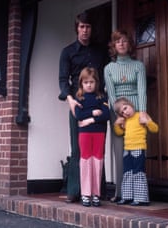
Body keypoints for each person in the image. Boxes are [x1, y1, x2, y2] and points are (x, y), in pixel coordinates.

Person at [59, 12, 108, 203]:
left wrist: (105, 101)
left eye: (88, 27)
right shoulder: (68, 51)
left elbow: (104, 77)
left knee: (98, 149)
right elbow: (63, 79)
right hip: (77, 104)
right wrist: (70, 100)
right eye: (81, 27)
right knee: (78, 148)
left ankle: (98, 191)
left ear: (91, 29)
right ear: (77, 28)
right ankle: (75, 190)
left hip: (97, 103)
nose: (85, 30)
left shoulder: (100, 51)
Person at [104, 30, 148, 203]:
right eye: (117, 42)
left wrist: (142, 113)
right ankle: (121, 193)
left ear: (129, 45)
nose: (121, 44)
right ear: (114, 46)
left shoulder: (138, 66)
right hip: (118, 115)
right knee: (119, 152)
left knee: (137, 152)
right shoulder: (109, 68)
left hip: (136, 113)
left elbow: (142, 90)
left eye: (124, 41)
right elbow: (112, 94)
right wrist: (118, 115)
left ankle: (139, 194)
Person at [113, 97, 158, 206]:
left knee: (138, 172)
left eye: (125, 108)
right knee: (127, 172)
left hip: (138, 148)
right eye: (122, 112)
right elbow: (119, 133)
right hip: (127, 149)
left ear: (131, 105)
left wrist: (147, 122)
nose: (125, 112)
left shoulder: (141, 115)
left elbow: (155, 129)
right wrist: (116, 124)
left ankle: (141, 198)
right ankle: (127, 196)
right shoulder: (125, 121)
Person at [74, 67, 110, 207]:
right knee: (85, 161)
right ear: (81, 83)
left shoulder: (102, 97)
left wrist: (91, 120)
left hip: (98, 133)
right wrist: (94, 112)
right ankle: (85, 194)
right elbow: (78, 115)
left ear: (97, 83)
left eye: (92, 82)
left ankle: (96, 194)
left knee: (97, 162)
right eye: (86, 82)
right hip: (84, 134)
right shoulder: (80, 98)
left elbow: (106, 115)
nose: (89, 85)